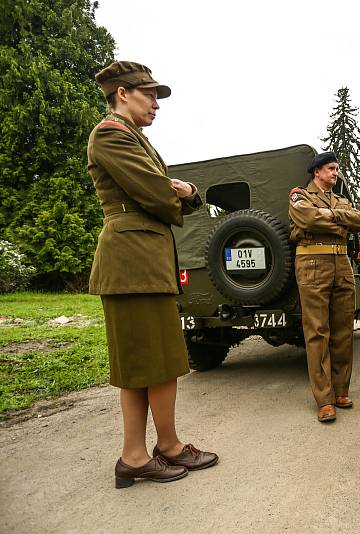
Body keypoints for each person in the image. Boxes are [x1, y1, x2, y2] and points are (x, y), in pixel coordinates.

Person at [88, 61, 218, 488]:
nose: (156, 104)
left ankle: (166, 445)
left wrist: (184, 194)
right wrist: (184, 193)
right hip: (131, 263)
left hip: (146, 260)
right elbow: (155, 192)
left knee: (158, 359)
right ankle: (135, 455)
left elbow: (162, 194)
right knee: (141, 362)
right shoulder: (111, 133)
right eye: (149, 95)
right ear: (123, 93)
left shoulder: (135, 138)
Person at [288, 152, 360, 422]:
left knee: (344, 329)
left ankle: (341, 391)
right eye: (331, 169)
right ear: (317, 172)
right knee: (317, 332)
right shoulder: (301, 195)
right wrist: (340, 222)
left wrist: (332, 213)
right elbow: (307, 220)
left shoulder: (341, 200)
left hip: (341, 263)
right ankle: (324, 399)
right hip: (312, 262)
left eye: (336, 169)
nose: (335, 173)